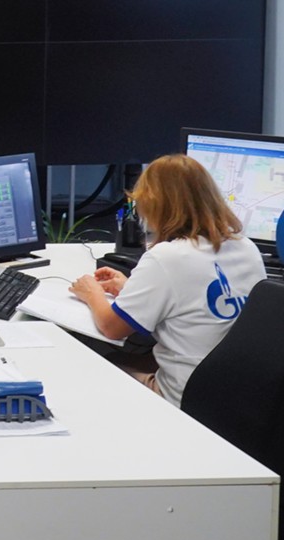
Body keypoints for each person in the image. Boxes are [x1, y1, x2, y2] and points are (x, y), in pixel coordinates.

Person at [69, 154, 265, 405]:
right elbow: (195, 302)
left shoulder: (167, 257)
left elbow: (112, 327)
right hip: (240, 395)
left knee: (93, 355)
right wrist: (131, 288)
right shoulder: (246, 247)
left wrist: (91, 293)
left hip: (186, 396)